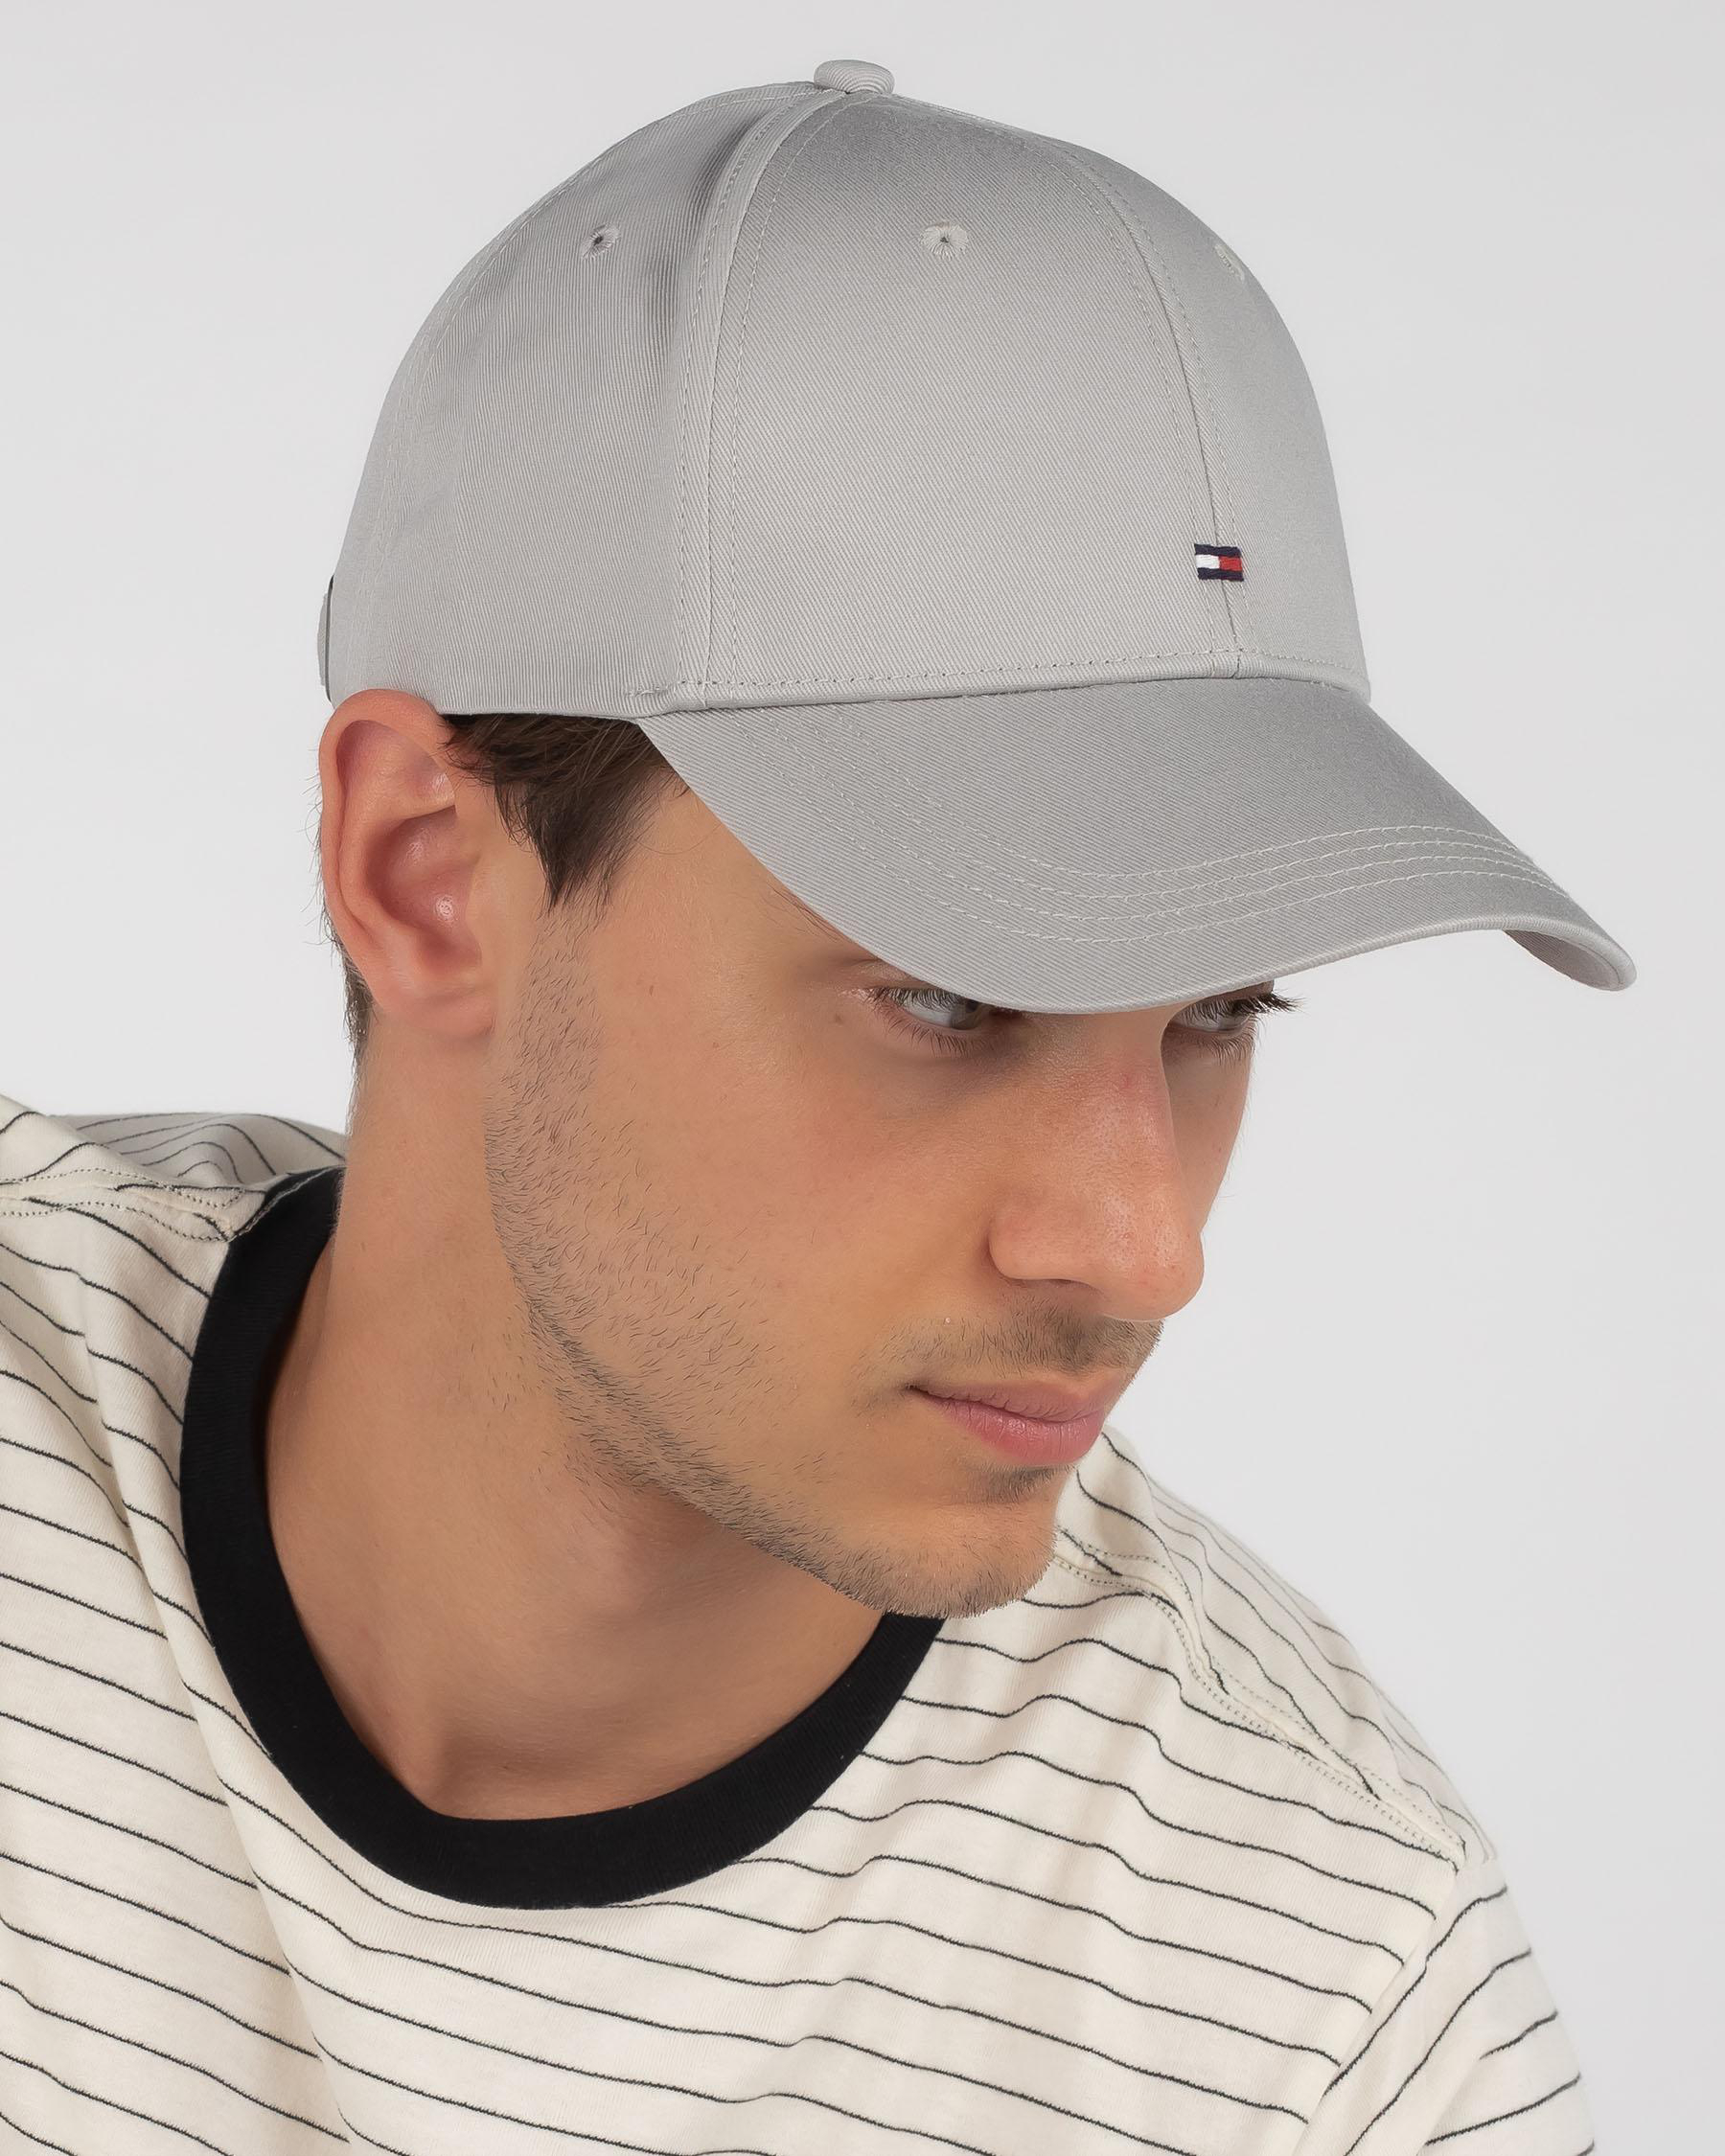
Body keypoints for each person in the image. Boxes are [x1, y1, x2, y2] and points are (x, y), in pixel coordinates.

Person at [0, 56, 1629, 2153]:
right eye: (948, 993)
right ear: (429, 873)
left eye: (1220, 1009)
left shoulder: (1318, 2005)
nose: (1146, 1250)